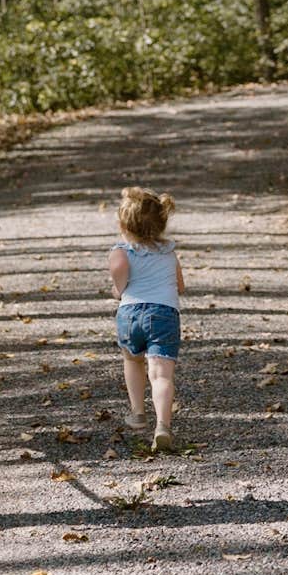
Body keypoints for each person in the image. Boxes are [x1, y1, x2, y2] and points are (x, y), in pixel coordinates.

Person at [108, 187, 185, 453]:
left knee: (132, 360)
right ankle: (163, 426)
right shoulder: (169, 252)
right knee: (161, 375)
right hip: (164, 314)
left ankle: (138, 412)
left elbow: (120, 282)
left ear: (123, 225)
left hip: (130, 313)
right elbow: (180, 286)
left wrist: (118, 290)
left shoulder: (120, 252)